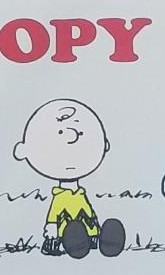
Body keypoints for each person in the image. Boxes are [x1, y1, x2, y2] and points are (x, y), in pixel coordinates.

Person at [13, 99, 125, 258]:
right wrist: (52, 227)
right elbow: (54, 214)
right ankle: (74, 243)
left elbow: (87, 211)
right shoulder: (60, 197)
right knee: (72, 229)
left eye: (80, 133)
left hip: (87, 230)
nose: (72, 137)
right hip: (62, 233)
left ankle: (102, 241)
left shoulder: (80, 194)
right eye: (60, 133)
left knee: (87, 224)